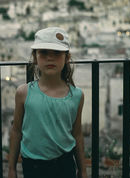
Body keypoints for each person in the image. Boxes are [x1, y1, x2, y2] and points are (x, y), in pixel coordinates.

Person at [8, 27, 87, 178]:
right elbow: (16, 130)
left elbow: (77, 134)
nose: (50, 58)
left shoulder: (76, 96)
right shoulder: (23, 93)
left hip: (65, 165)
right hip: (33, 167)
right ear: (35, 57)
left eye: (56, 53)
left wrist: (82, 170)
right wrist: (11, 169)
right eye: (44, 52)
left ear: (67, 57)